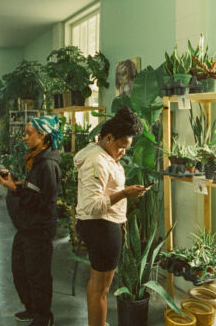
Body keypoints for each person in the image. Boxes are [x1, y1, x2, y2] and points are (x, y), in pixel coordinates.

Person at [75, 107, 148, 326]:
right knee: (102, 289)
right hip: (101, 228)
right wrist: (125, 193)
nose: (123, 152)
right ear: (108, 138)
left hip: (104, 226)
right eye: (120, 146)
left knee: (97, 284)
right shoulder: (96, 161)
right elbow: (92, 206)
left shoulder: (101, 154)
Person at [0, 115, 62, 326]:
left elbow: (44, 200)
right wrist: (18, 183)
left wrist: (14, 188)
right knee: (21, 271)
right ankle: (32, 309)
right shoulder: (37, 160)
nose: (24, 138)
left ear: (42, 135)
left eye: (28, 133)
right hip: (26, 227)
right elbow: (35, 188)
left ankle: (44, 316)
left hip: (38, 229)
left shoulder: (48, 165)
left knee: (38, 274)